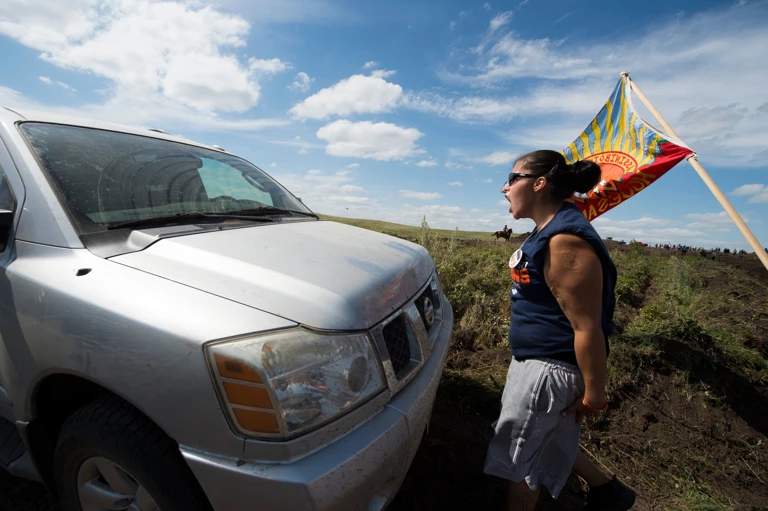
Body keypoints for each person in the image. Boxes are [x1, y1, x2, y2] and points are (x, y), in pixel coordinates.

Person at [485, 150, 636, 510]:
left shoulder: (563, 239)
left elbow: (587, 327)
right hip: (538, 366)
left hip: (549, 371)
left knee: (520, 461)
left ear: (539, 184)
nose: (504, 188)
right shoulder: (549, 229)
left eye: (512, 178)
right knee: (543, 441)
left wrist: (595, 396)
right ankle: (609, 493)